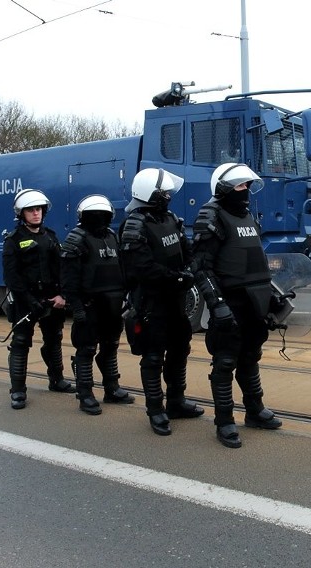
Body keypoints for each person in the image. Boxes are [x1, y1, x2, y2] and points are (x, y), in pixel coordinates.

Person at [192, 163, 283, 448]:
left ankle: (254, 411)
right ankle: (224, 420)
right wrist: (217, 305)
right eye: (241, 186)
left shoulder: (248, 217)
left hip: (254, 301)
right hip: (230, 301)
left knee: (250, 358)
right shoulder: (211, 215)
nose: (246, 191)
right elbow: (201, 267)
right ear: (224, 188)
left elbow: (257, 262)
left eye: (248, 186)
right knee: (225, 362)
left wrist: (272, 296)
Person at [119, 168, 204, 436]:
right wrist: (178, 278)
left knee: (180, 351)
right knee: (153, 357)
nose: (168, 196)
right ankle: (155, 410)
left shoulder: (170, 218)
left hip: (176, 301)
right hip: (151, 303)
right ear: (150, 194)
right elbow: (141, 269)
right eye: (163, 192)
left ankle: (176, 402)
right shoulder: (134, 225)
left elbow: (186, 250)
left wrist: (189, 270)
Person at [60, 194, 135, 415]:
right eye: (95, 216)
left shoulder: (112, 236)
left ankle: (112, 388)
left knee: (110, 347)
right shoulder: (76, 239)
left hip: (113, 305)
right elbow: (68, 280)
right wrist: (77, 308)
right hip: (89, 306)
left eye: (103, 215)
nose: (99, 219)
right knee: (86, 350)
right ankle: (85, 394)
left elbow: (122, 268)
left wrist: (126, 297)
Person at [2, 189, 75, 410]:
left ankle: (56, 380)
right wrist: (29, 300)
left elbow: (62, 269)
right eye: (31, 210)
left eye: (39, 209)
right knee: (21, 344)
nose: (36, 214)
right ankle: (17, 391)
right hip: (26, 301)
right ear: (21, 214)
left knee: (54, 339)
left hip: (52, 299)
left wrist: (63, 294)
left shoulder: (51, 236)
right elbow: (11, 277)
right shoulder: (13, 241)